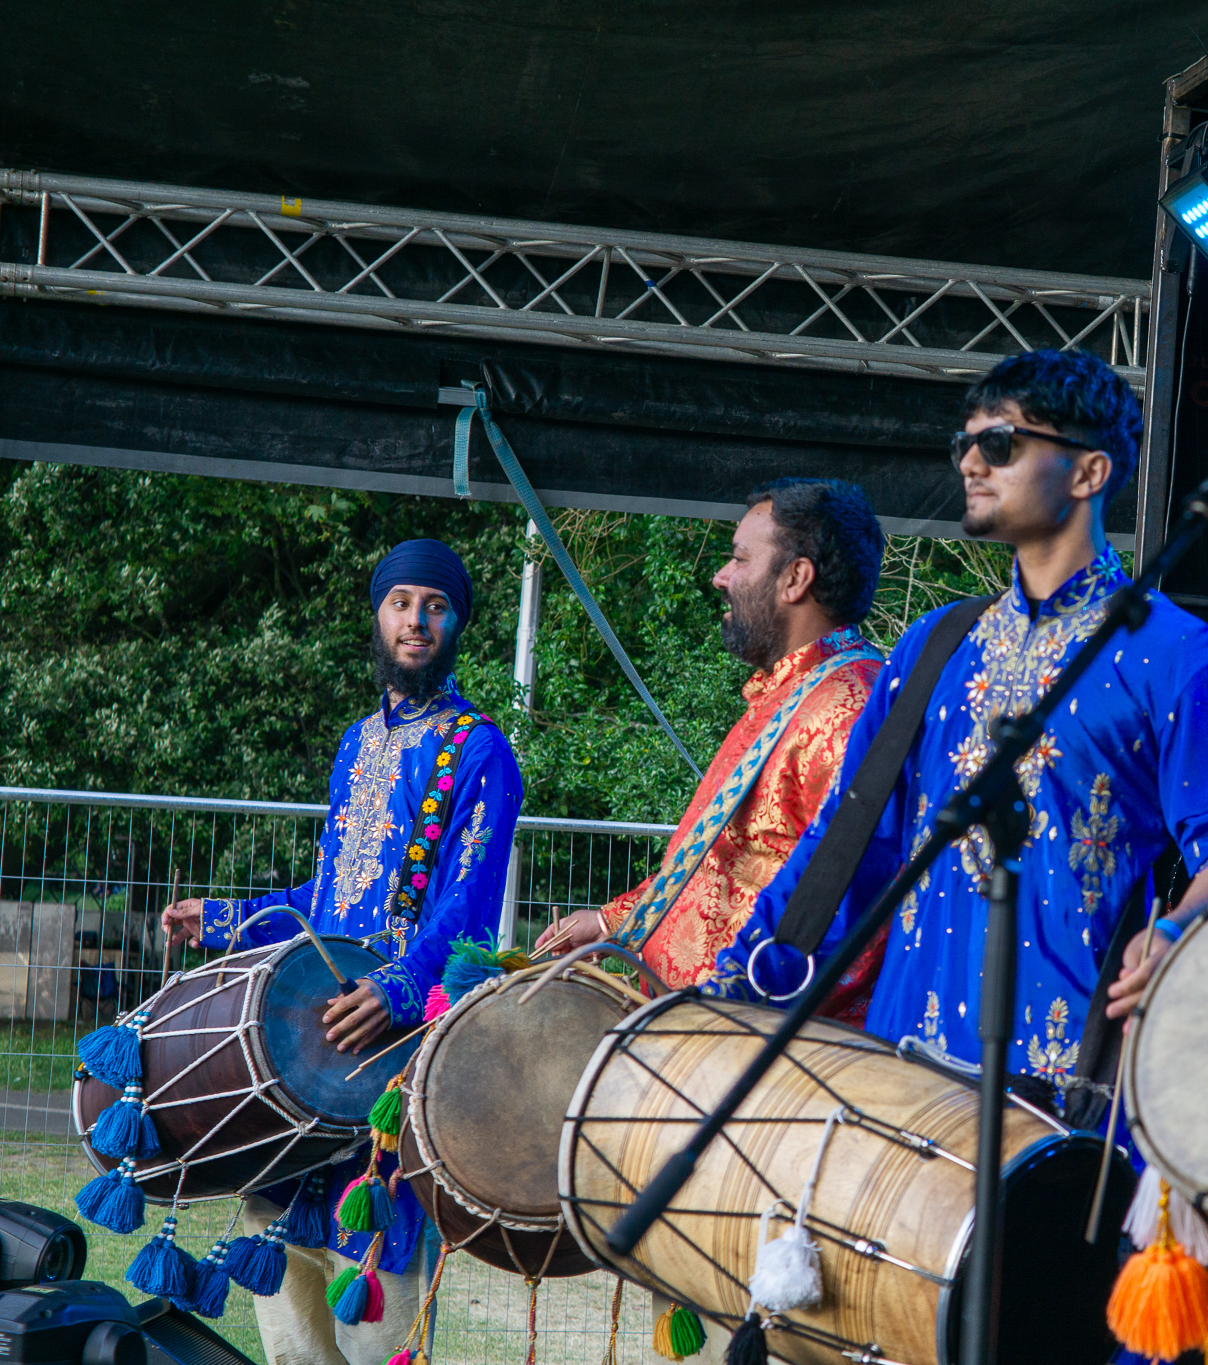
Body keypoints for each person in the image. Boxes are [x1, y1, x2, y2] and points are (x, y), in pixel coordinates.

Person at [705, 348, 1208, 1093]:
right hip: (902, 1072)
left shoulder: (1178, 656)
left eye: (1000, 443)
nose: (971, 463)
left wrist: (1176, 930)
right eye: (965, 444)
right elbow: (848, 840)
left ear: (1088, 473)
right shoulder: (935, 644)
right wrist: (736, 980)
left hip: (1061, 1086)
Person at [162, 538, 524, 1365]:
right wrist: (223, 917)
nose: (417, 620)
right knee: (290, 1332)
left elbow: (466, 906)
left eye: (436, 606)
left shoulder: (481, 750)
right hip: (302, 1052)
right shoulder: (356, 743)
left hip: (388, 1056)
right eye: (401, 602)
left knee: (377, 1320)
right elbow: (325, 900)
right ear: (378, 616)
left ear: (457, 624)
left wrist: (397, 987)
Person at [539, 478, 887, 1016]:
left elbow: (865, 911)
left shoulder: (847, 709)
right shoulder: (791, 691)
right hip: (701, 1033)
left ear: (795, 579)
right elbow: (725, 865)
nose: (720, 576)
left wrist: (731, 1009)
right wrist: (612, 921)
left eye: (739, 558)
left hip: (753, 1046)